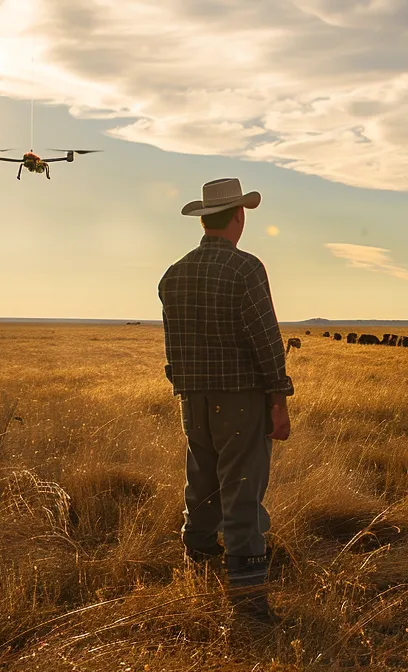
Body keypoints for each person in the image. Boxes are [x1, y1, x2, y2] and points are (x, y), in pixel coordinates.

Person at [159, 178, 292, 625]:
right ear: (239, 216)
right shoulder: (245, 269)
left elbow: (173, 345)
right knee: (242, 491)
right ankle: (250, 603)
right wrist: (279, 398)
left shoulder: (173, 274)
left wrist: (184, 385)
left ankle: (196, 571)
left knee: (201, 481)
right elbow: (266, 340)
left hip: (191, 397)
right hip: (240, 398)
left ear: (204, 219)